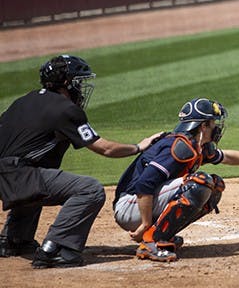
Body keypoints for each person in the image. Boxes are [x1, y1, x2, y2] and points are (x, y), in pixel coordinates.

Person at [0, 55, 162, 268]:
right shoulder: (65, 109)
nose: (82, 87)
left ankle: (14, 239)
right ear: (68, 83)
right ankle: (57, 248)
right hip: (17, 176)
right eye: (79, 81)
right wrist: (138, 147)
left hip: (8, 175)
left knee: (39, 176)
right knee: (90, 190)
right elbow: (105, 148)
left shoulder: (23, 101)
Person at [113, 98, 239, 262]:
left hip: (141, 203)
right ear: (203, 125)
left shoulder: (195, 145)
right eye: (213, 123)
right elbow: (144, 184)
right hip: (130, 205)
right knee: (199, 183)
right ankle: (150, 241)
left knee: (215, 186)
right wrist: (144, 224)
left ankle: (162, 235)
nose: (217, 127)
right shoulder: (180, 147)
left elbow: (227, 156)